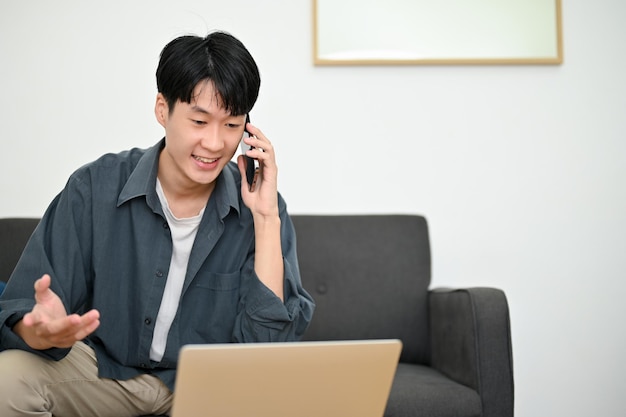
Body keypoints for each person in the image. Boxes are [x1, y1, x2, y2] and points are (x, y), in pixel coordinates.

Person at [0, 31, 315, 416]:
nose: (215, 143)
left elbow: (265, 353)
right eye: (199, 120)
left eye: (232, 125)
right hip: (105, 374)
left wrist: (265, 217)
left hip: (208, 392)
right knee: (8, 379)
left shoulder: (261, 206)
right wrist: (37, 331)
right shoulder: (94, 187)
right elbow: (21, 309)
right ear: (162, 109)